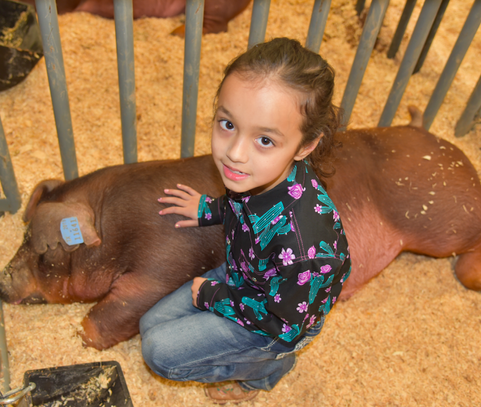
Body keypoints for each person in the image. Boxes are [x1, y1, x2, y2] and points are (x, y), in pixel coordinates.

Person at [140, 37, 351, 404]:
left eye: (265, 140)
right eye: (227, 124)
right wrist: (208, 209)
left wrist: (214, 296)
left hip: (275, 322)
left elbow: (282, 322)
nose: (235, 154)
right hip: (246, 275)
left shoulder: (307, 251)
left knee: (158, 353)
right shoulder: (259, 173)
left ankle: (265, 370)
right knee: (149, 326)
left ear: (305, 146)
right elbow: (245, 208)